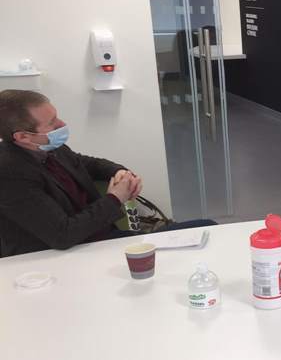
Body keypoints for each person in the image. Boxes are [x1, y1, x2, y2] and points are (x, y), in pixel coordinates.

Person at [0, 89, 214, 257]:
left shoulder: (48, 147)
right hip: (67, 257)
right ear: (23, 137)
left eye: (57, 117)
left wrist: (120, 172)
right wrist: (115, 198)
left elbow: (88, 164)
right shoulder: (10, 174)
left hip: (102, 237)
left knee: (208, 231)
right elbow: (63, 235)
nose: (62, 124)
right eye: (51, 123)